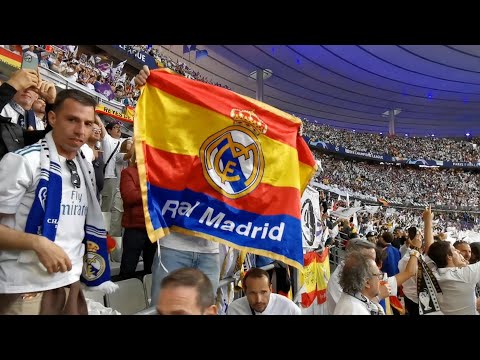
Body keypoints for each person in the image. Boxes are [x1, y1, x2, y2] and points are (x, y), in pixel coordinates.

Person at [0, 89, 117, 315]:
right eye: (72, 120)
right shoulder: (22, 162)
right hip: (26, 290)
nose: (80, 130)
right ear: (52, 118)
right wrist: (37, 243)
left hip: (70, 286)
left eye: (87, 123)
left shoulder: (84, 161)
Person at [134, 65, 220, 306]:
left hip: (211, 251)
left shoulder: (223, 158)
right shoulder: (174, 146)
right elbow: (152, 128)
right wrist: (145, 91)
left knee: (205, 310)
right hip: (173, 246)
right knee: (163, 309)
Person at [119, 145, 156, 280]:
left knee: (151, 270)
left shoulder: (156, 175)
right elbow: (129, 197)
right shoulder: (128, 172)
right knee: (128, 269)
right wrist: (152, 191)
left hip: (153, 228)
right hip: (134, 228)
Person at [226, 267, 301, 315]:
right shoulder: (234, 309)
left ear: (271, 289)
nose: (259, 299)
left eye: (263, 292)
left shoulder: (289, 309)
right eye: (252, 293)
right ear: (245, 290)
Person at [333, 251, 385, 315]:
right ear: (367, 282)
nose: (380, 280)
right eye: (378, 275)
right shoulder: (355, 311)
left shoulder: (353, 302)